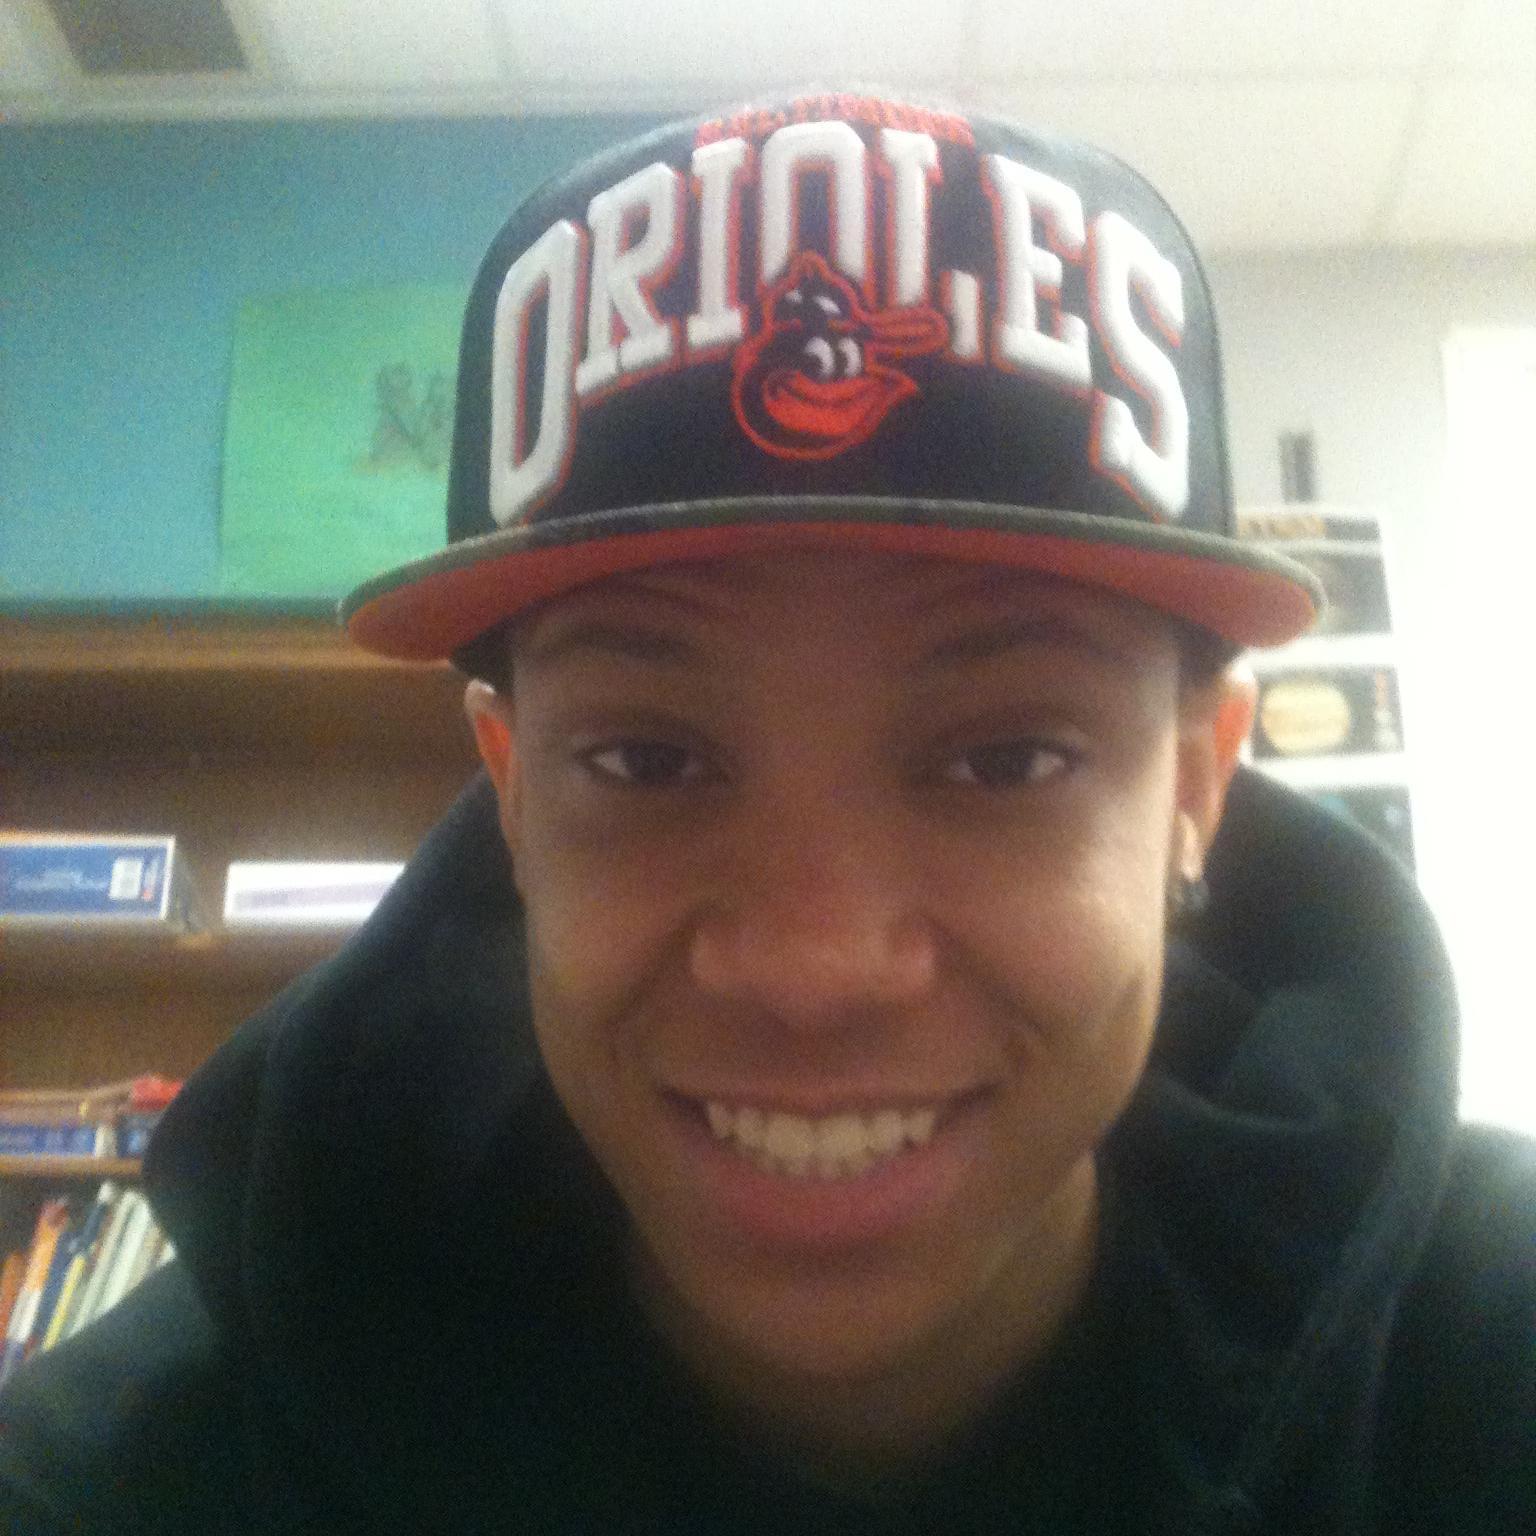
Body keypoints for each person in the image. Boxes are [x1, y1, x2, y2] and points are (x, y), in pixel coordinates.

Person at [2, 91, 1532, 1535]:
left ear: (1195, 789)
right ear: (514, 794)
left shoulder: (1487, 1365)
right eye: (646, 762)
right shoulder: (130, 1471)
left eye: (1008, 761)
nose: (813, 968)